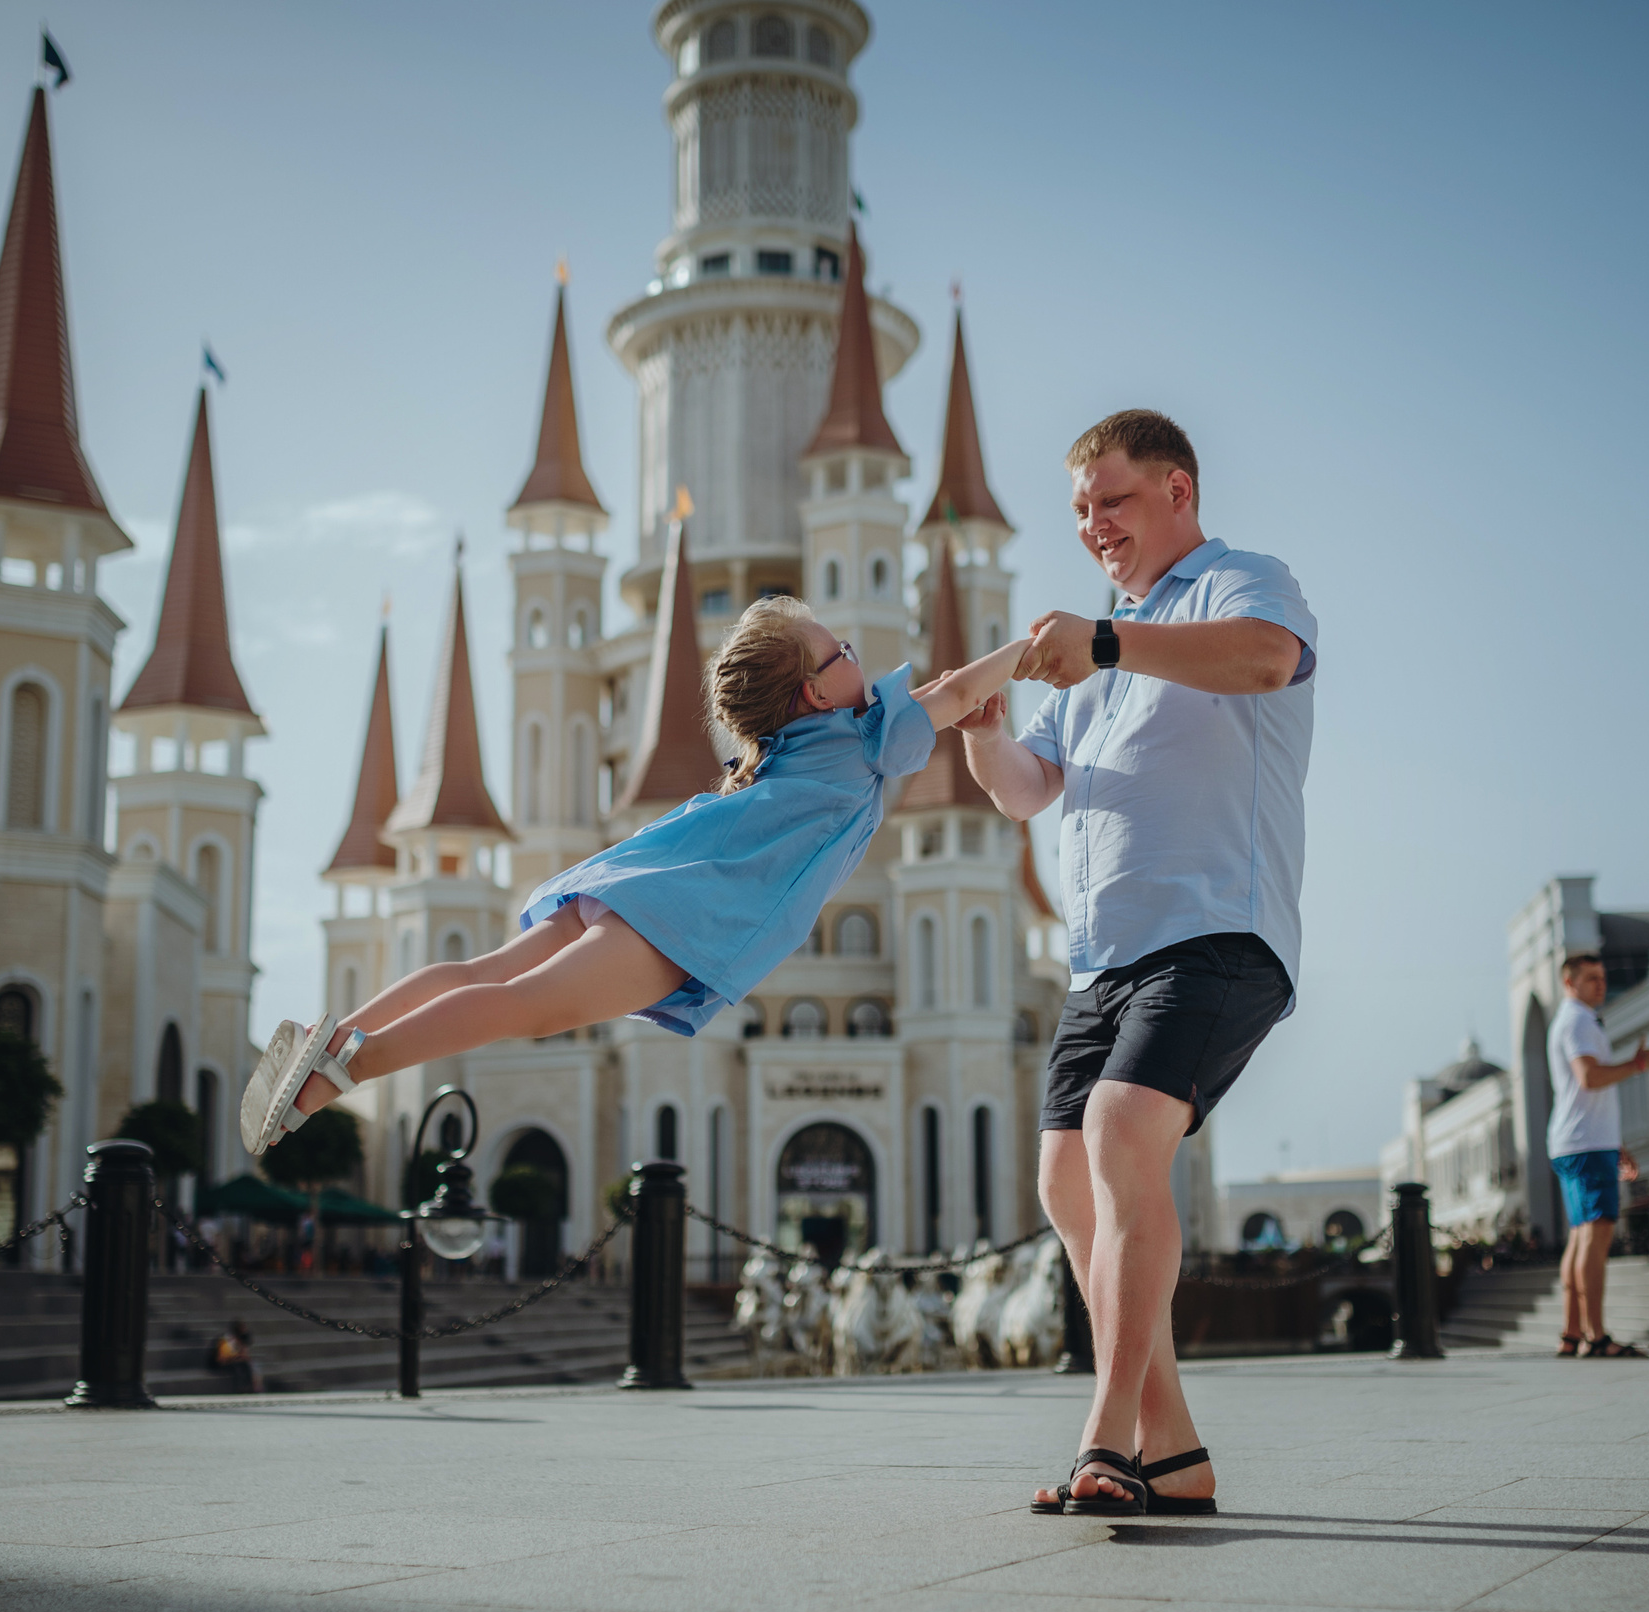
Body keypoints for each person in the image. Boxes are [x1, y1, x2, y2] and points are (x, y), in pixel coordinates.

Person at [242, 595, 1032, 1152]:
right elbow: (956, 689)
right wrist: (1039, 648)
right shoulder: (863, 740)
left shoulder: (800, 745)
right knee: (526, 1006)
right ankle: (345, 1068)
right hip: (682, 916)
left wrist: (974, 708)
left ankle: (331, 1035)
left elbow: (952, 699)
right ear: (816, 689)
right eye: (844, 652)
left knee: (489, 972)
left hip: (641, 876)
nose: (859, 657)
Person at [959, 409, 1317, 1518]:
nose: (1093, 525)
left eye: (1110, 499)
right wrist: (983, 731)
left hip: (1216, 928)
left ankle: (1103, 1439)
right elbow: (1028, 791)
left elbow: (1266, 659)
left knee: (1120, 1135)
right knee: (1066, 1181)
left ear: (1177, 490)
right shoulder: (1092, 654)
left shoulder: (1239, 582)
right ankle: (1175, 1451)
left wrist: (1109, 642)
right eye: (1079, 509)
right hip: (1101, 962)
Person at [1547, 952, 1649, 1359]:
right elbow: (1589, 1078)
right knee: (1595, 1235)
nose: (1601, 985)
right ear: (1569, 982)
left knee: (1580, 1236)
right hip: (1586, 1145)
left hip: (1578, 1142)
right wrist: (1636, 1065)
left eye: (1603, 977)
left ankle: (1572, 1333)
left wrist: (1615, 1144)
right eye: (1591, 978)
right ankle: (1596, 1336)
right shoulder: (1578, 1021)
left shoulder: (1573, 1019)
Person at [209, 1318, 261, 1393]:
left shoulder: (239, 1342)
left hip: (233, 1361)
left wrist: (242, 1352)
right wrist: (237, 1358)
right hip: (219, 1364)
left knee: (247, 1365)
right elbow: (223, 1358)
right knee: (238, 1367)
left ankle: (250, 1387)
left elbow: (245, 1356)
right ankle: (241, 1387)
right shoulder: (226, 1340)